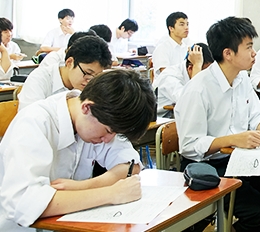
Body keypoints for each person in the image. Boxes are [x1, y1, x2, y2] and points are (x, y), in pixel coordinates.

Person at [174, 16, 260, 232]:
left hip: (238, 160)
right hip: (208, 167)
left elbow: (256, 116)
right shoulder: (199, 89)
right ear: (228, 53)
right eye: (249, 47)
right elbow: (189, 145)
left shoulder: (242, 77)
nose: (254, 53)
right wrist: (233, 139)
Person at [0, 69, 155, 231]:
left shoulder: (98, 116)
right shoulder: (34, 123)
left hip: (71, 223)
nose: (109, 139)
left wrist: (83, 186)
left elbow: (130, 166)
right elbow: (24, 204)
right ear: (87, 108)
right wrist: (111, 194)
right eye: (108, 131)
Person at [18, 35, 112, 111]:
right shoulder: (39, 79)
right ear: (69, 63)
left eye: (96, 76)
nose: (90, 81)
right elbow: (29, 118)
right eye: (87, 73)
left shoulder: (93, 84)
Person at [153, 43, 213, 116]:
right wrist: (197, 67)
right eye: (204, 72)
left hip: (179, 115)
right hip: (162, 119)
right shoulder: (169, 77)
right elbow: (189, 102)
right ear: (190, 68)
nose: (207, 76)